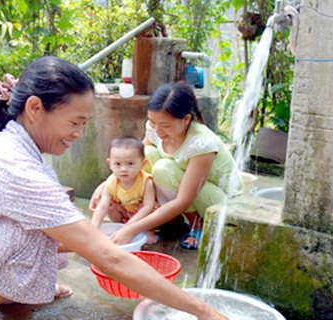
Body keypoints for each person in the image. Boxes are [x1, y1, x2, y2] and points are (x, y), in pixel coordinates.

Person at [0, 56, 249, 320]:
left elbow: (86, 243)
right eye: (75, 122)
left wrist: (96, 241)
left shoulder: (6, 143)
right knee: (26, 231)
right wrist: (201, 309)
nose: (79, 134)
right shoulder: (15, 167)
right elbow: (108, 260)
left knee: (43, 231)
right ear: (35, 108)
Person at [90, 82, 243, 249]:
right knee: (146, 153)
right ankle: (171, 219)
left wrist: (131, 229)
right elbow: (137, 158)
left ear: (186, 119)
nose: (158, 130)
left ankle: (196, 224)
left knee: (164, 169)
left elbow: (183, 200)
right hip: (188, 188)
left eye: (165, 125)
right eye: (153, 122)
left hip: (222, 201)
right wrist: (105, 185)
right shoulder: (155, 129)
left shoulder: (202, 143)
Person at [91, 136, 158, 244]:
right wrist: (93, 229)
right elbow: (102, 207)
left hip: (142, 214)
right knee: (110, 206)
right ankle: (119, 227)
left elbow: (148, 206)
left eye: (130, 164)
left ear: (143, 164)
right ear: (110, 164)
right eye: (117, 164)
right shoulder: (111, 183)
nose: (123, 169)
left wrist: (130, 226)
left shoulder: (146, 181)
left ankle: (148, 230)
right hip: (126, 211)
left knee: (152, 211)